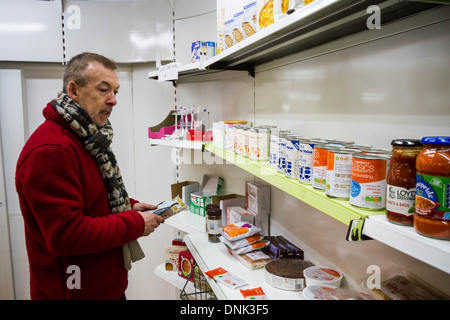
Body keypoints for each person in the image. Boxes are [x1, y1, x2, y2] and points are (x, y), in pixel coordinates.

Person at [15, 52, 164, 300]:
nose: (113, 100)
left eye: (116, 91)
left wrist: (129, 205)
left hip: (104, 288)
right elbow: (66, 234)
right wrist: (135, 224)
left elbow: (89, 197)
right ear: (74, 90)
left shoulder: (86, 137)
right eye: (104, 90)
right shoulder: (52, 150)